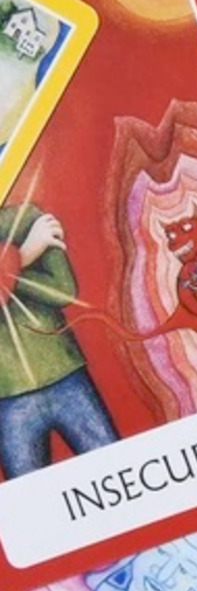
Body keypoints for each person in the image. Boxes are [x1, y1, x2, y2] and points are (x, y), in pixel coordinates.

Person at [0, 203, 118, 478]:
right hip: (8, 397)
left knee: (117, 470)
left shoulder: (27, 217)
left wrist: (9, 273)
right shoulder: (32, 232)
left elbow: (64, 291)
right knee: (33, 498)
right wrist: (22, 256)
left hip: (67, 377)